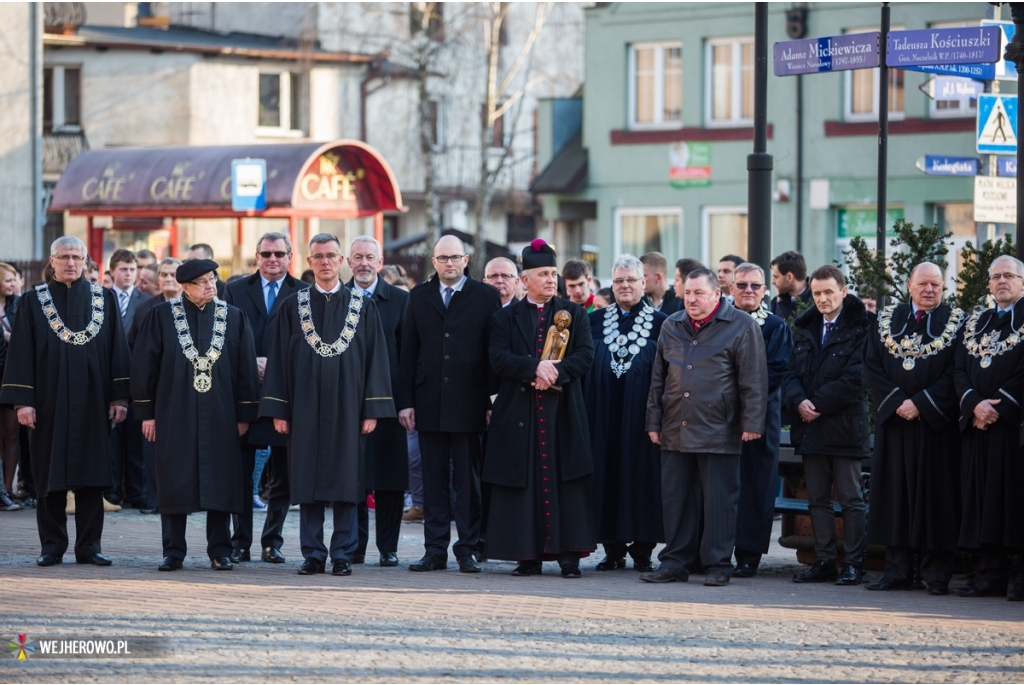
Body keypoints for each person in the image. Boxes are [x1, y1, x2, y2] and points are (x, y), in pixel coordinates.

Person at [260, 233, 395, 576]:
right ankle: (313, 553)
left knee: (346, 481)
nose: (324, 262)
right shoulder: (292, 306)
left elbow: (376, 360)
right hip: (303, 408)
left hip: (349, 409)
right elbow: (278, 360)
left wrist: (372, 409)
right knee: (307, 481)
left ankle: (343, 553)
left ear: (342, 261)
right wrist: (278, 409)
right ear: (309, 262)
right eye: (318, 256)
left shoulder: (364, 306)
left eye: (331, 256)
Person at [0, 236, 131, 566]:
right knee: (48, 475)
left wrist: (119, 396)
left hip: (94, 400)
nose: (70, 263)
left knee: (92, 475)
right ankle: (51, 546)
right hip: (48, 402)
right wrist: (22, 402)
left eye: (76, 257)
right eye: (63, 257)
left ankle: (89, 547)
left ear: (86, 261)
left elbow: (118, 350)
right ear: (52, 261)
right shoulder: (33, 301)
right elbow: (21, 354)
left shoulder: (106, 300)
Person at [131, 259, 260, 571]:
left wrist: (245, 414)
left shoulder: (233, 316)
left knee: (221, 481)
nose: (211, 285)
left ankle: (220, 550)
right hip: (174, 412)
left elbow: (246, 368)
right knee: (175, 480)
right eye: (202, 281)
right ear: (185, 287)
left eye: (213, 279)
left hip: (221, 414)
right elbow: (144, 366)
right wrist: (147, 414)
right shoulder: (161, 316)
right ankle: (173, 551)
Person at [643, 268, 767, 587]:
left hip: (719, 427)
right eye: (687, 293)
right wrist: (653, 421)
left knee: (720, 501)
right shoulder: (671, 325)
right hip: (674, 425)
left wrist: (752, 421)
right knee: (676, 500)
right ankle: (674, 561)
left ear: (717, 294)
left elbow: (753, 378)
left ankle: (718, 563)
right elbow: (658, 378)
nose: (691, 299)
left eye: (699, 293)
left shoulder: (741, 325)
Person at [484, 239, 597, 577]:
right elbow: (498, 358)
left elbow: (586, 355)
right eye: (543, 274)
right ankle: (526, 555)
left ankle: (569, 556)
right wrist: (534, 367)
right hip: (520, 414)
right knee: (523, 481)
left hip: (562, 412)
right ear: (524, 280)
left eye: (553, 273)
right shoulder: (505, 318)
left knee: (567, 480)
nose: (551, 280)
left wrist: (555, 371)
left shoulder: (574, 314)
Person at [397, 235, 501, 573]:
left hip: (470, 402)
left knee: (468, 483)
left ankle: (467, 549)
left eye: (455, 257)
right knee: (433, 480)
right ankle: (435, 550)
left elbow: (492, 352)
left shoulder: (486, 297)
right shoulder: (419, 296)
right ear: (434, 261)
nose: (449, 264)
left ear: (467, 259)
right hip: (428, 402)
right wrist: (406, 402)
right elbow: (408, 353)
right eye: (443, 258)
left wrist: (490, 399)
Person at [863, 262, 963, 595]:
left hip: (936, 426)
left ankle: (936, 575)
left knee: (936, 498)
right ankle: (897, 571)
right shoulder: (885, 321)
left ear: (943, 286)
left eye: (936, 284)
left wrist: (921, 402)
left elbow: (958, 372)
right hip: (895, 424)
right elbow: (872, 366)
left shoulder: (959, 323)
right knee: (895, 497)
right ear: (909, 284)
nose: (929, 289)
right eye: (923, 283)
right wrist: (896, 402)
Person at [783, 265, 871, 586]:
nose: (822, 299)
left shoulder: (863, 327)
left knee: (850, 499)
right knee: (817, 499)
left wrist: (816, 403)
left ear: (843, 291)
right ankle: (823, 561)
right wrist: (798, 401)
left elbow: (857, 378)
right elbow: (789, 373)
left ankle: (853, 563)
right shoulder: (805, 327)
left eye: (828, 292)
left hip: (845, 428)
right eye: (817, 293)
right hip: (811, 428)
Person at [223, 232, 308, 564]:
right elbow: (226, 337)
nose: (272, 259)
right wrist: (251, 363)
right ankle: (240, 541)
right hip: (244, 392)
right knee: (241, 472)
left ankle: (272, 540)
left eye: (279, 254)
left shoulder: (303, 292)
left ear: (290, 256)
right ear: (256, 257)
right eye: (266, 254)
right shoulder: (235, 290)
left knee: (284, 475)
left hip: (286, 394)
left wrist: (278, 365)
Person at [583, 254, 666, 573]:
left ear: (644, 283)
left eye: (631, 280)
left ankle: (643, 549)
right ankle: (612, 549)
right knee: (607, 478)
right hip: (602, 417)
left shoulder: (664, 324)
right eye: (618, 281)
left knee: (643, 480)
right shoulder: (593, 321)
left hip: (643, 420)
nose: (625, 286)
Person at [953, 255, 1024, 599]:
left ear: (1022, 282)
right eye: (995, 277)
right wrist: (974, 404)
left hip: (1014, 428)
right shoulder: (976, 323)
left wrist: (999, 406)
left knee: (1013, 501)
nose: (1001, 282)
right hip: (979, 427)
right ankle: (990, 573)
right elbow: (959, 369)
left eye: (1008, 276)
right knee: (983, 502)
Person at [347, 236, 410, 567]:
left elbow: (409, 356)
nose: (364, 264)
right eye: (357, 257)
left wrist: (406, 403)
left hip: (389, 404)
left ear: (381, 262)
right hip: (347, 404)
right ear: (348, 262)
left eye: (370, 257)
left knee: (389, 480)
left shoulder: (400, 300)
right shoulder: (337, 300)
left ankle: (388, 547)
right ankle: (354, 546)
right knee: (353, 479)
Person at [730, 263, 793, 577]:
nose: (748, 291)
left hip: (760, 418)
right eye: (742, 285)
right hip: (720, 420)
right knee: (719, 487)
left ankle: (748, 556)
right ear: (731, 288)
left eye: (755, 286)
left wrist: (736, 398)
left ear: (765, 290)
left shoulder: (776, 327)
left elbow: (774, 373)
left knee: (755, 487)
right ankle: (712, 551)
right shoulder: (719, 323)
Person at [127, 257, 183, 515]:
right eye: (164, 274)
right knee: (151, 445)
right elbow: (135, 351)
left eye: (174, 274)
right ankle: (153, 498)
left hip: (185, 388)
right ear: (158, 279)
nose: (169, 279)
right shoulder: (145, 309)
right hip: (155, 387)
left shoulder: (194, 306)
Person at [106, 249, 147, 511]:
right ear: (112, 272)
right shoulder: (101, 298)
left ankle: (136, 492)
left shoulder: (147, 302)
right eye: (123, 269)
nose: (128, 274)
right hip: (108, 378)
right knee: (110, 441)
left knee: (136, 441)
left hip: (137, 379)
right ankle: (111, 492)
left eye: (132, 269)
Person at [0, 262, 21, 498]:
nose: (13, 284)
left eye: (14, 279)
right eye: (8, 280)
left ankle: (8, 487)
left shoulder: (19, 305)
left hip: (11, 374)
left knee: (12, 432)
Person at [770, 251, 811, 322]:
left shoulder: (817, 303)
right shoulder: (775, 303)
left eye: (776, 277)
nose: (772, 282)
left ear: (789, 277)